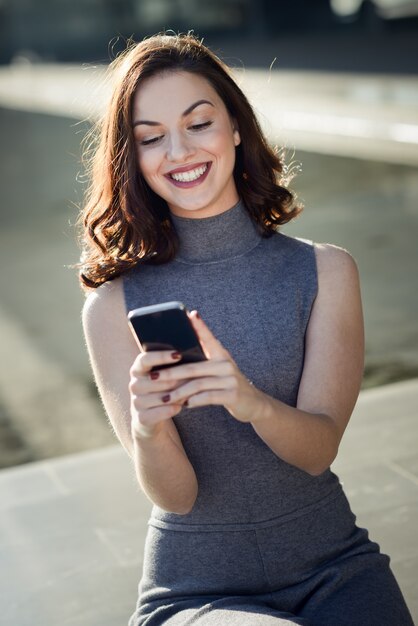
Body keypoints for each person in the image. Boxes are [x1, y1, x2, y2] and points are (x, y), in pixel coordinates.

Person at [79, 33, 414, 626]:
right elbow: (176, 498)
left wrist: (247, 400)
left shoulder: (325, 271)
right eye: (152, 138)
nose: (178, 151)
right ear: (134, 159)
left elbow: (317, 452)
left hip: (334, 566)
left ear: (236, 127)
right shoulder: (112, 307)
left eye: (198, 124)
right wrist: (151, 428)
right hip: (195, 592)